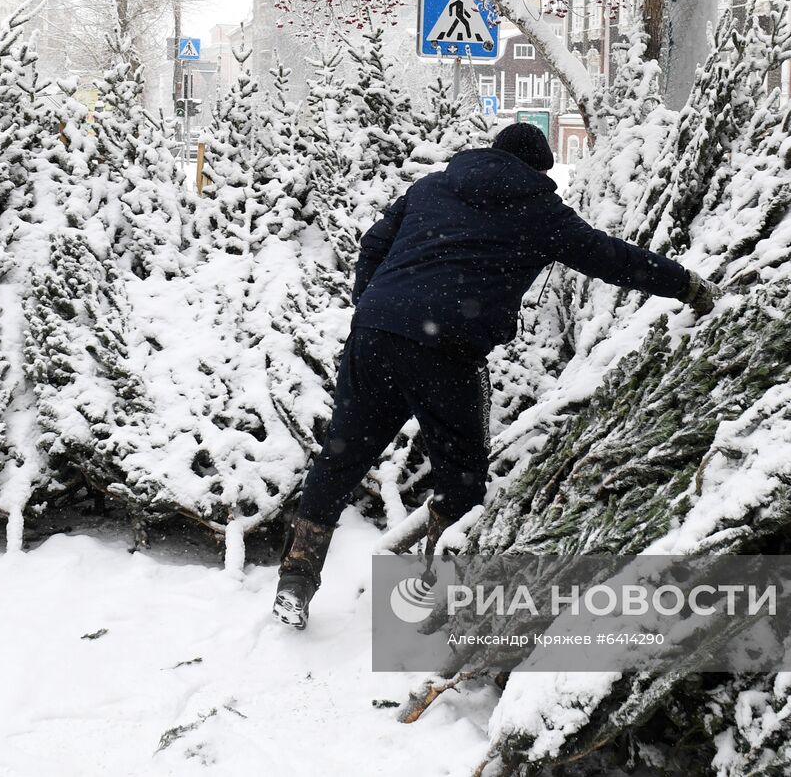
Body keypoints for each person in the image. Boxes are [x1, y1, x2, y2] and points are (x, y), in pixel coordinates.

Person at [271, 124, 718, 629]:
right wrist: (686, 285)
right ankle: (437, 599)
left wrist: (374, 304)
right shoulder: (541, 211)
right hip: (447, 349)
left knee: (342, 456)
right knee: (461, 475)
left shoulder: (431, 187)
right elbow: (613, 259)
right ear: (539, 170)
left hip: (374, 334)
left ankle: (295, 581)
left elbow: (374, 244)